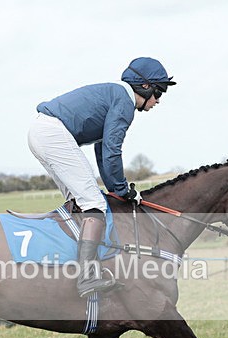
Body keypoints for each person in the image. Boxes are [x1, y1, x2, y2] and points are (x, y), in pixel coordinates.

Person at [28, 57, 176, 298]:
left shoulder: (116, 96)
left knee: (80, 203)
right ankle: (86, 277)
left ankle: (71, 266)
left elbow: (101, 149)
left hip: (42, 132)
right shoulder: (124, 102)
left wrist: (115, 190)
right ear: (145, 87)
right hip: (52, 133)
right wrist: (122, 189)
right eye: (159, 92)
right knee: (94, 204)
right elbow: (112, 151)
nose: (158, 100)